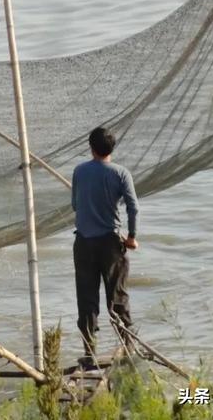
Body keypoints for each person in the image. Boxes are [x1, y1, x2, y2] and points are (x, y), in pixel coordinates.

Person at [71, 126, 139, 363]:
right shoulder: (121, 173)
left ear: (91, 148)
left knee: (87, 300)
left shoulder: (79, 171)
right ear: (112, 148)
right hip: (111, 244)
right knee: (118, 297)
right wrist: (131, 236)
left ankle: (89, 354)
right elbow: (133, 207)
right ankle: (129, 348)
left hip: (83, 243)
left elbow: (75, 205)